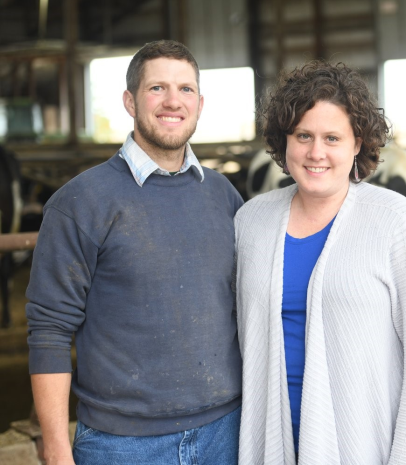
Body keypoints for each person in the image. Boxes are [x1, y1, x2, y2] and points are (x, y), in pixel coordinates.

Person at [25, 40, 244, 465]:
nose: (172, 101)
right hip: (121, 444)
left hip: (226, 432)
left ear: (200, 103)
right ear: (130, 100)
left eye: (185, 89)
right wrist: (55, 448)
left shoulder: (225, 197)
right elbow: (50, 328)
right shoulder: (80, 203)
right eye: (156, 88)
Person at [235, 61, 406, 464]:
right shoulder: (250, 221)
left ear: (358, 144)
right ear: (284, 141)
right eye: (303, 135)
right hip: (268, 443)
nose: (315, 152)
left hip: (362, 445)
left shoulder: (399, 224)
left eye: (332, 137)